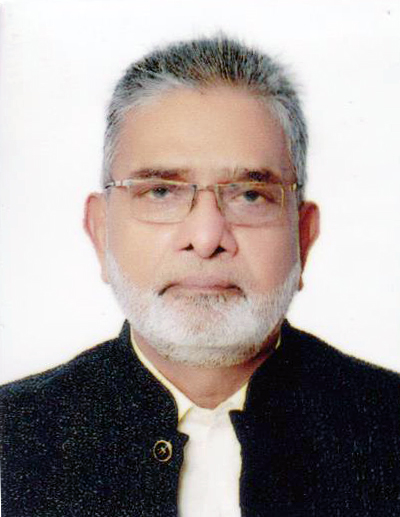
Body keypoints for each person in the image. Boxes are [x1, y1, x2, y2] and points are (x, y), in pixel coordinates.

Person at [1, 35, 400, 517]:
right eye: (161, 192)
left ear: (303, 235)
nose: (207, 237)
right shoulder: (13, 435)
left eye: (250, 195)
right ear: (101, 231)